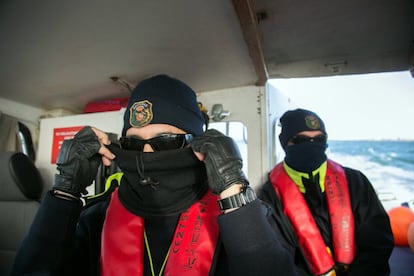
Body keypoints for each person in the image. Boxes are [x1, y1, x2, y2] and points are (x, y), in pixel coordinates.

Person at [11, 74, 297, 276]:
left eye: (165, 142)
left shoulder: (245, 217)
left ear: (198, 144)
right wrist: (65, 191)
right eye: (133, 144)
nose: (147, 156)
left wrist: (234, 189)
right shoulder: (95, 218)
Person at [259, 108, 394, 275]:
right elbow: (278, 258)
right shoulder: (269, 196)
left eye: (319, 139)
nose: (311, 145)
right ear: (284, 143)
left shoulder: (356, 182)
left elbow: (377, 244)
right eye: (300, 140)